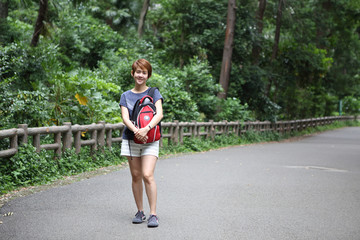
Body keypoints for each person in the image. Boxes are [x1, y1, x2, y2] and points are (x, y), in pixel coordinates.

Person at [119, 59, 163, 228]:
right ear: (132, 73)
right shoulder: (125, 95)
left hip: (151, 138)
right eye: (138, 72)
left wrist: (146, 130)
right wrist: (137, 131)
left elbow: (159, 114)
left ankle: (153, 214)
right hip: (131, 139)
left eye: (144, 72)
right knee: (136, 176)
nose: (140, 75)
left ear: (148, 75)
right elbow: (125, 117)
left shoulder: (154, 93)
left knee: (147, 174)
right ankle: (140, 211)